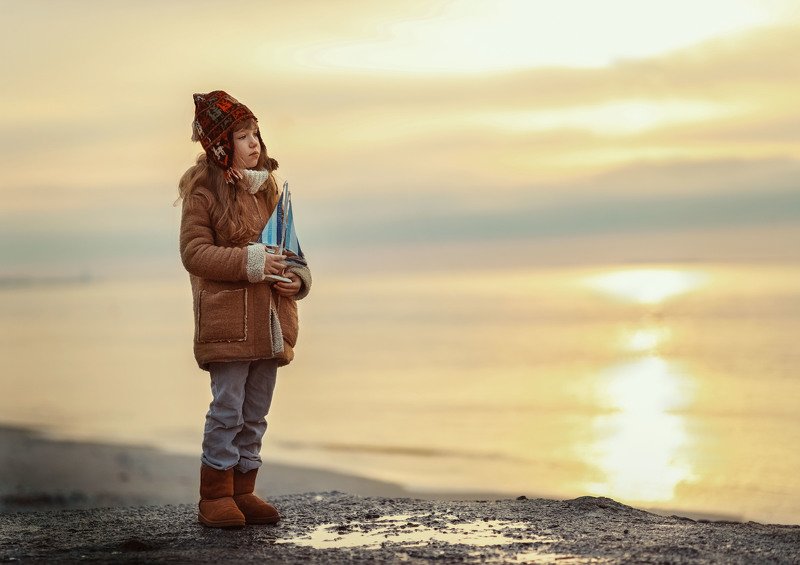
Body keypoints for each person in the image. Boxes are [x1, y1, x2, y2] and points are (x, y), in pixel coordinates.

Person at [176, 90, 311, 528]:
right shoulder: (204, 191)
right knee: (227, 409)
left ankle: (243, 489)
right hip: (229, 322)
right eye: (242, 136)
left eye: (255, 134)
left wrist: (297, 279)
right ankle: (214, 494)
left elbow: (289, 249)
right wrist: (250, 261)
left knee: (256, 411)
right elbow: (195, 253)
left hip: (271, 321)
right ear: (221, 146)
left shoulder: (268, 190)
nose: (254, 143)